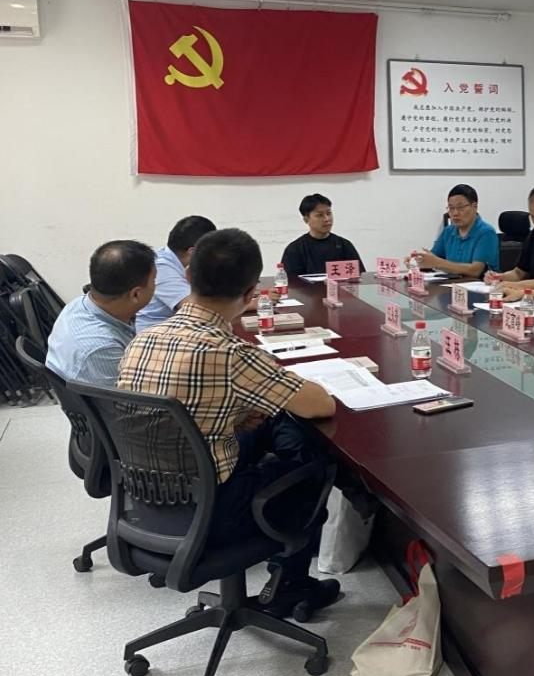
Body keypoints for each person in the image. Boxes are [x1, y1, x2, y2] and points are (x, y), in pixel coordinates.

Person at [119, 228, 341, 611]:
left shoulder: (143, 339)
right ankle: (291, 583)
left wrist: (234, 417)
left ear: (188, 275)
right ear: (252, 292)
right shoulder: (230, 353)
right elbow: (321, 406)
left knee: (274, 423)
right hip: (212, 513)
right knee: (314, 463)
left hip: (145, 501)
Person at [46, 240, 156, 387]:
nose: (156, 286)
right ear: (135, 294)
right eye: (154, 280)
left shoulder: (80, 304)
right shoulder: (102, 348)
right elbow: (129, 396)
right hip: (101, 398)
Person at [135, 215, 216, 331]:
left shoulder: (176, 261)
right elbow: (197, 309)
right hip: (154, 334)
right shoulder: (161, 267)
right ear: (193, 251)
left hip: (175, 329)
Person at [412, 184, 499, 278]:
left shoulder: (486, 232)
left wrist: (437, 263)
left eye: (461, 208)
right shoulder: (448, 231)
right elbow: (433, 259)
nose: (455, 213)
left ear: (474, 206)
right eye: (451, 208)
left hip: (479, 285)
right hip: (452, 284)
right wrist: (418, 261)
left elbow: (475, 271)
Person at [281, 193, 366, 277]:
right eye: (320, 215)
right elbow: (290, 282)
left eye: (329, 213)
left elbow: (359, 277)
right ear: (306, 220)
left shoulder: (344, 245)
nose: (327, 219)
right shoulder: (295, 249)